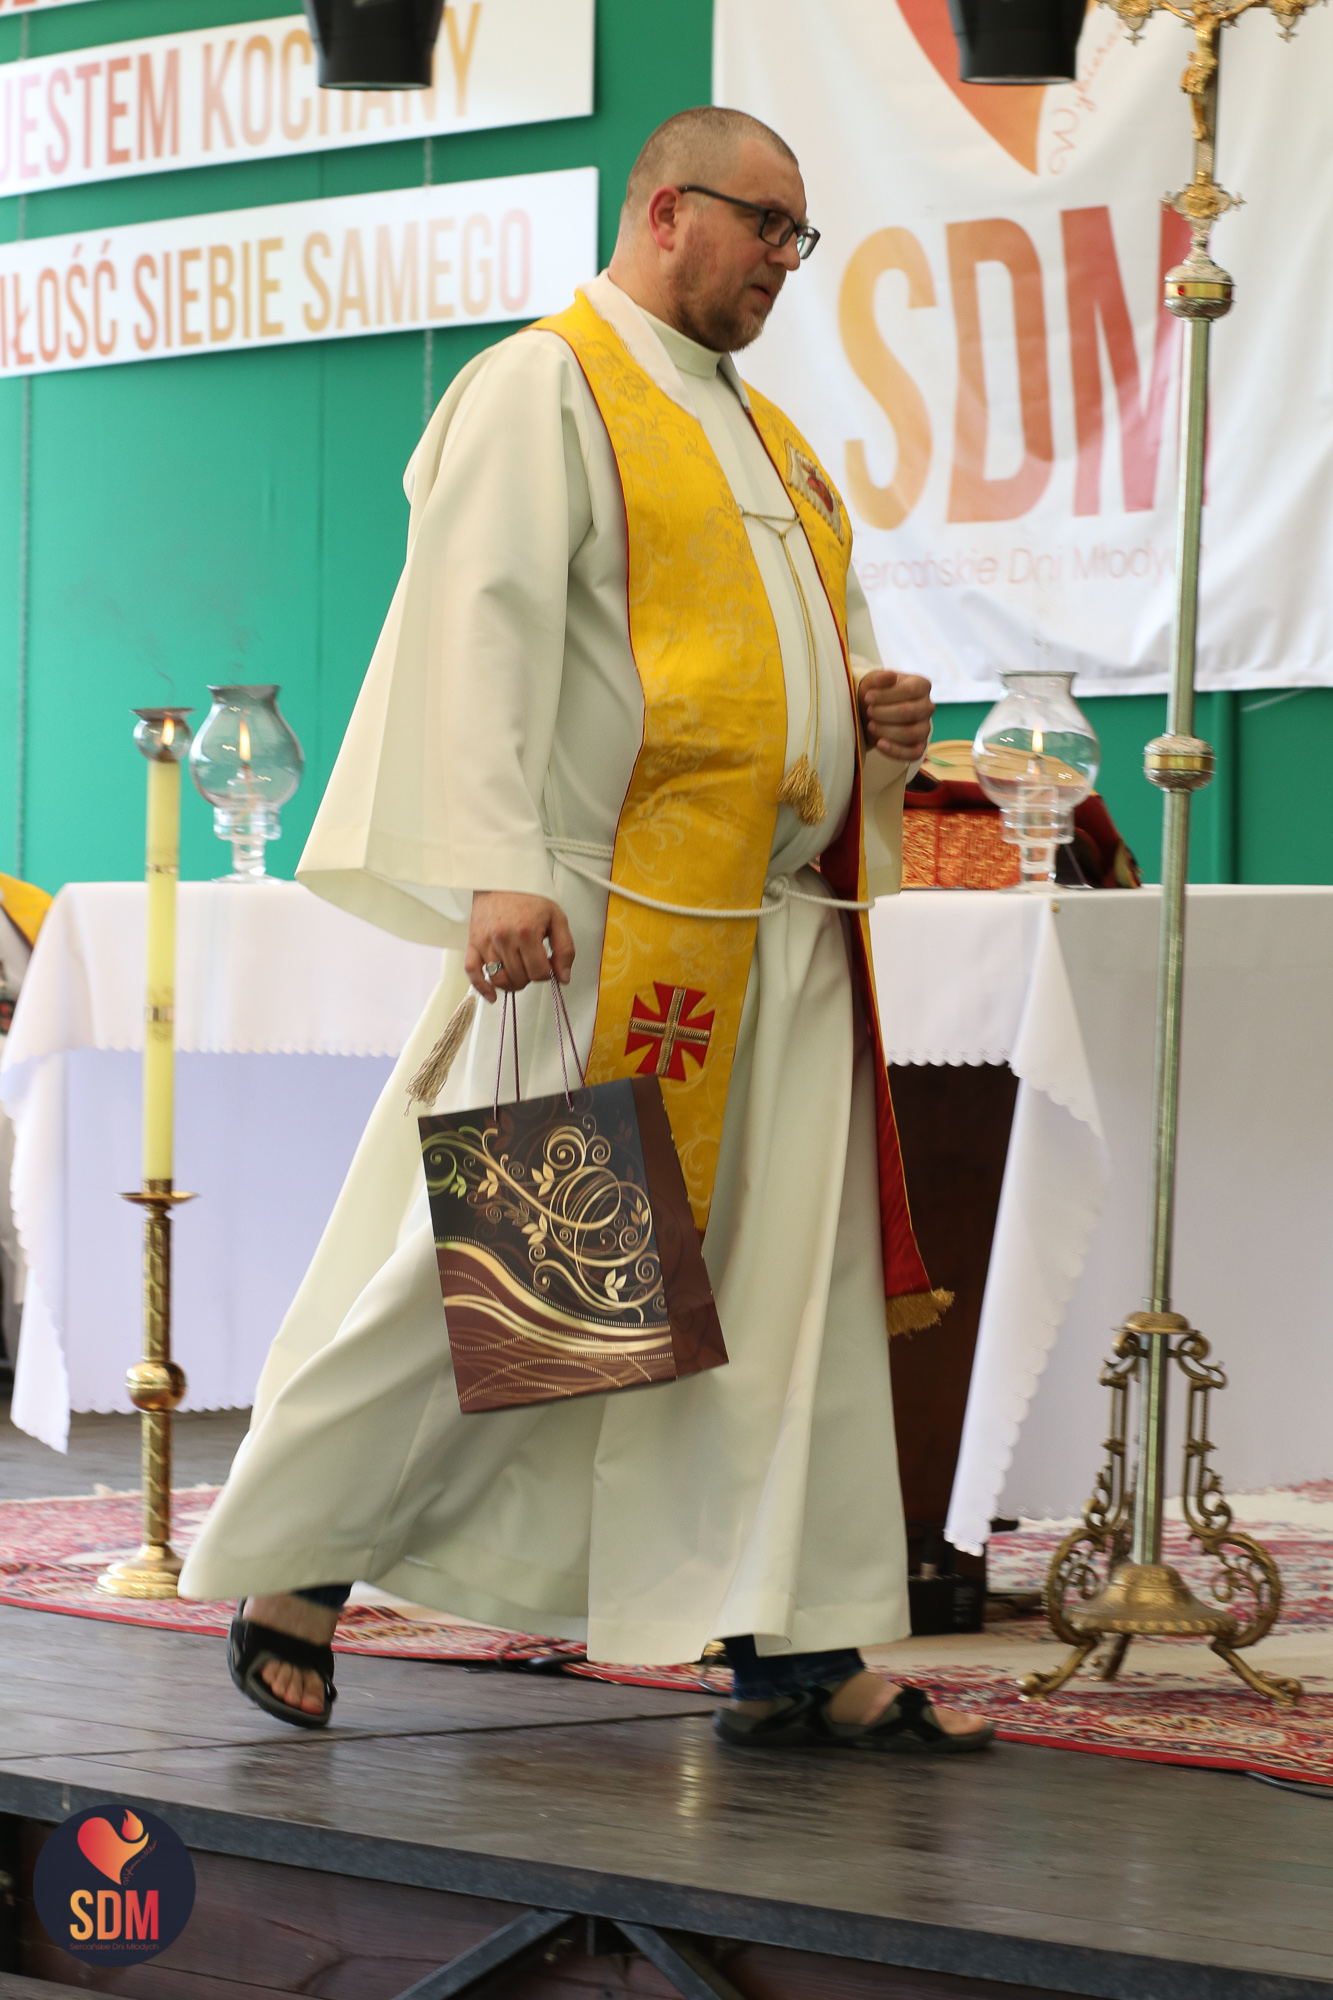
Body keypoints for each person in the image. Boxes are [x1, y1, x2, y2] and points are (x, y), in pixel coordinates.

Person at [180, 106, 993, 1755]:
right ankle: (300, 1567)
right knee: (521, 1277)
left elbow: (789, 663)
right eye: (766, 226)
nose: (785, 262)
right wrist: (495, 865)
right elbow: (473, 630)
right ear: (666, 208)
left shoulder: (770, 437)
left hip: (775, 928)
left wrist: (872, 722)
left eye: (800, 237)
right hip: (605, 922)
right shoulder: (546, 386)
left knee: (780, 1304)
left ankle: (791, 1641)